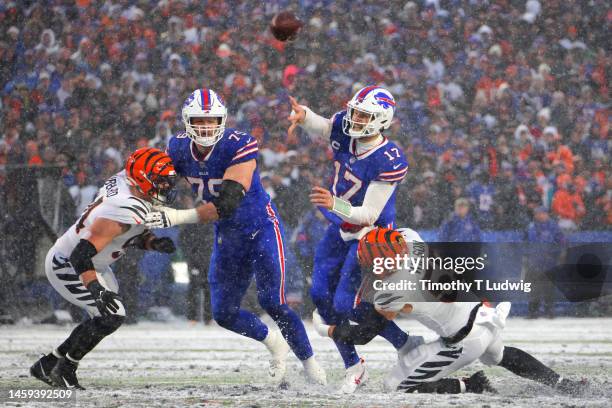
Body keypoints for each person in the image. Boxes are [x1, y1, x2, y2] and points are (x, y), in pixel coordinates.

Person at [144, 89, 326, 384]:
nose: (205, 128)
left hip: (260, 227)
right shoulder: (176, 147)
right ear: (187, 122)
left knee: (273, 302)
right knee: (224, 313)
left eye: (212, 120)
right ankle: (274, 343)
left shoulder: (239, 143)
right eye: (199, 121)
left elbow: (227, 203)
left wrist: (176, 216)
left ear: (223, 120)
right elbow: (158, 181)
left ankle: (309, 362)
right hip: (227, 234)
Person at [313, 227, 587, 395]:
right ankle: (562, 383)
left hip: (465, 340)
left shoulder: (392, 288)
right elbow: (388, 234)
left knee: (395, 384)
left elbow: (364, 334)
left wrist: (328, 330)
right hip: (481, 311)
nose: (369, 268)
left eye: (372, 262)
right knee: (499, 355)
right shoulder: (411, 239)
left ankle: (473, 385)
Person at [287, 86, 412, 392]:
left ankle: (407, 344)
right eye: (354, 112)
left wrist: (334, 204)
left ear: (381, 120)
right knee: (319, 294)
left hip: (370, 236)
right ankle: (354, 366)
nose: (354, 120)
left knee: (345, 303)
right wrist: (305, 118)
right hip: (339, 226)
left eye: (363, 116)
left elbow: (368, 214)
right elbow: (327, 127)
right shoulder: (345, 127)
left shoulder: (388, 157)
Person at [30, 148, 179, 389]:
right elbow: (81, 255)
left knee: (102, 318)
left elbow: (124, 233)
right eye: (161, 180)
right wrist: (97, 289)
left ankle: (48, 364)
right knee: (111, 315)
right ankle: (65, 369)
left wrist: (151, 242)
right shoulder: (124, 206)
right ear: (143, 177)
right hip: (68, 264)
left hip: (93, 262)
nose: (166, 186)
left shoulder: (129, 186)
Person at [524, 206, 566, 319]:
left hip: (549, 262)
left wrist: (553, 255)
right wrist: (527, 256)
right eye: (537, 213)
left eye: (542, 213)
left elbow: (561, 242)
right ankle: (533, 312)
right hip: (535, 262)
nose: (540, 215)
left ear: (547, 214)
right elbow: (525, 242)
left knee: (549, 288)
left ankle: (549, 311)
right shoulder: (531, 227)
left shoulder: (553, 227)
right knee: (534, 288)